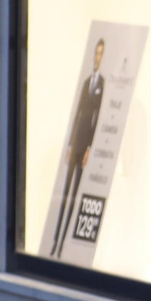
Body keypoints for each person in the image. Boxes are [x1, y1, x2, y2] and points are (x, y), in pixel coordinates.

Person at [51, 38, 105, 257]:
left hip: (85, 145)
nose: (97, 57)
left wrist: (90, 148)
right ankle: (55, 242)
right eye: (96, 53)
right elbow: (78, 113)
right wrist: (69, 144)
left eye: (100, 54)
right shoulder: (86, 83)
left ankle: (63, 245)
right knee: (65, 193)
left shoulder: (102, 84)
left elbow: (96, 117)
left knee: (74, 194)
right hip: (76, 142)